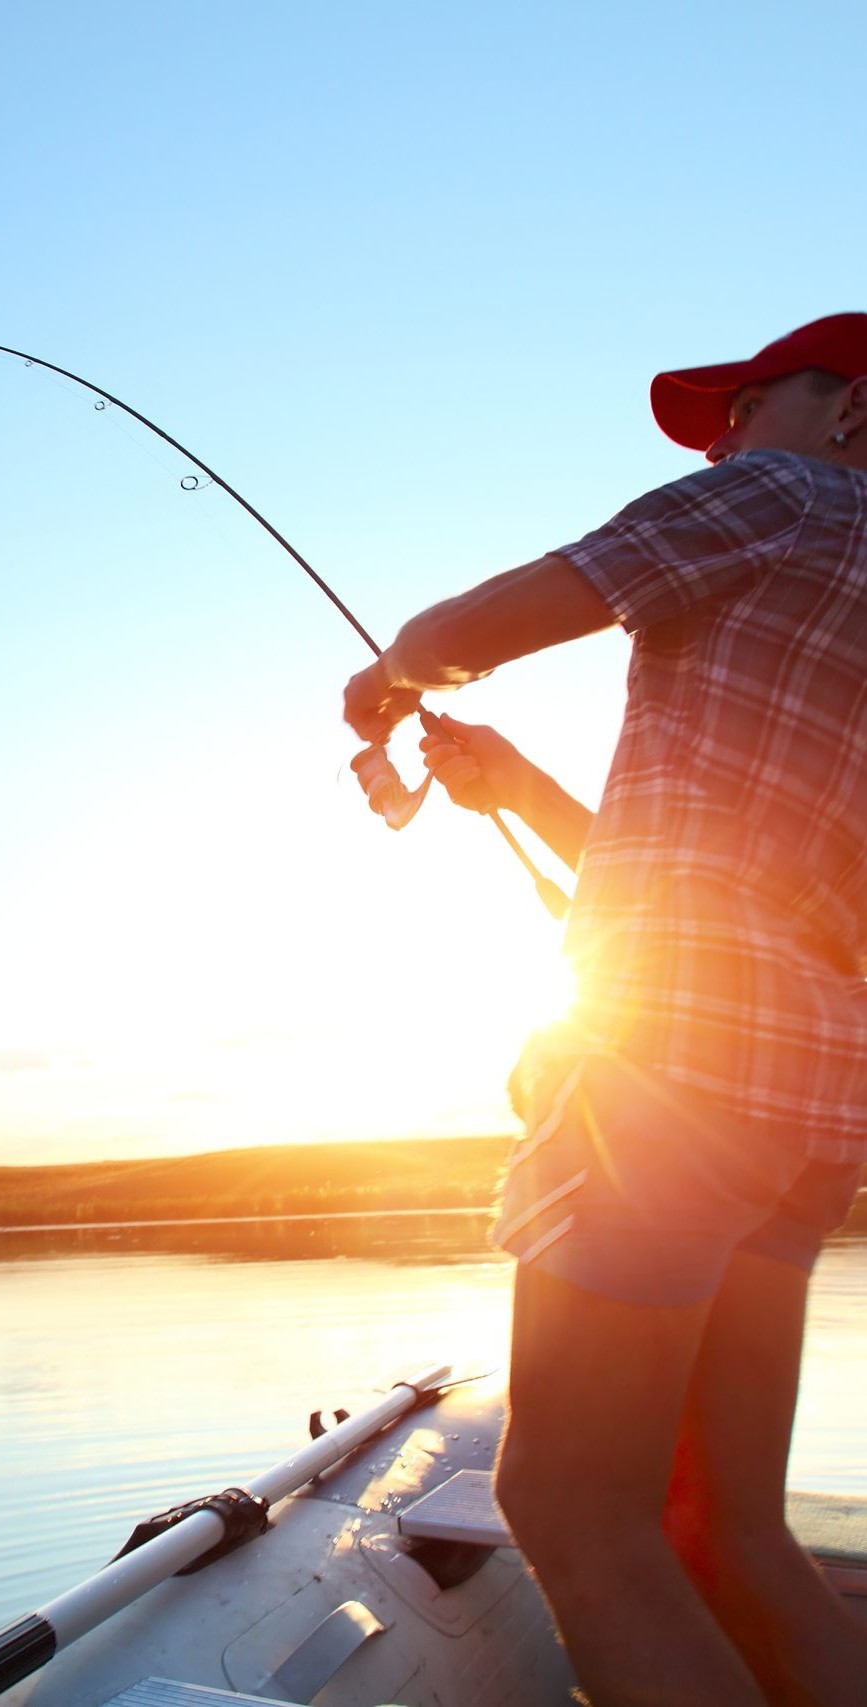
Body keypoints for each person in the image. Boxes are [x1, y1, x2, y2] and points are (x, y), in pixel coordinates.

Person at [342, 313, 867, 1707]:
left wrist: (390, 679)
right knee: (732, 1531)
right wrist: (514, 789)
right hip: (813, 1108)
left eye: (747, 404)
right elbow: (778, 892)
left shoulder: (783, 491)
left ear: (851, 416)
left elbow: (455, 636)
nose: (721, 439)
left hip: (673, 1081)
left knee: (575, 1509)